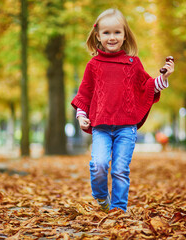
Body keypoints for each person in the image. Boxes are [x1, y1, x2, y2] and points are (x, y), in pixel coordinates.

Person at [71, 8, 174, 213]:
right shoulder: (93, 65)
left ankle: (118, 210)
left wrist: (164, 77)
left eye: (117, 32)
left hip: (126, 127)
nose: (112, 37)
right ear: (98, 36)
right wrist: (82, 116)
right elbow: (85, 93)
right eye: (106, 33)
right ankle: (101, 197)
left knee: (120, 170)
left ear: (125, 35)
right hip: (100, 127)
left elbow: (147, 86)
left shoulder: (132, 63)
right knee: (99, 164)